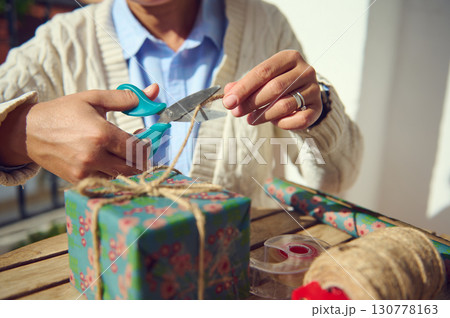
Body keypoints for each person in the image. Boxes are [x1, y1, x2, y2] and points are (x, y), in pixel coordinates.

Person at [0, 0, 362, 205]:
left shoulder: (265, 23)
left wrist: (319, 113)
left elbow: (336, 178)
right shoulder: (60, 43)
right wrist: (20, 131)